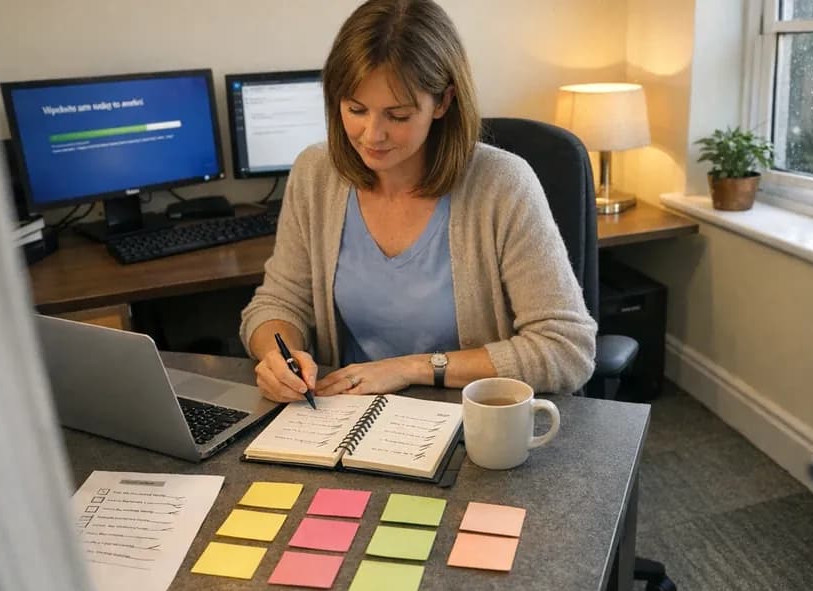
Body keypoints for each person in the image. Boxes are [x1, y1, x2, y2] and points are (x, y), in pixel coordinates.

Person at [240, 0, 597, 403]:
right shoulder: (315, 173)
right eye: (356, 109)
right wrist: (277, 356)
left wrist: (411, 367)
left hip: (469, 421)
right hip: (345, 416)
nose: (372, 135)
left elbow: (567, 350)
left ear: (442, 103)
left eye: (398, 115)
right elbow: (278, 301)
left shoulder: (502, 184)